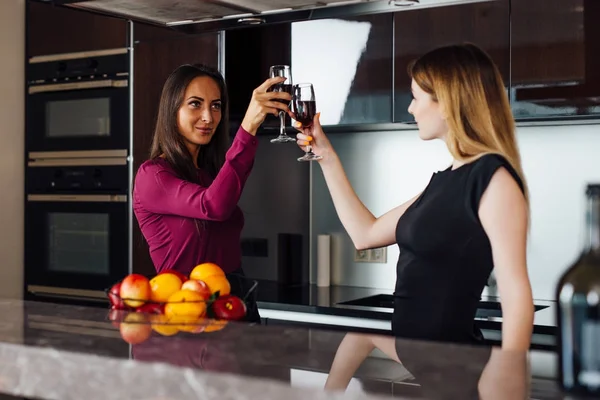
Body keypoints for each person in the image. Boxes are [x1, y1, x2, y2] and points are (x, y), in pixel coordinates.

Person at [295, 43, 535, 390]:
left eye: (416, 97)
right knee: (360, 332)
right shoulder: (443, 181)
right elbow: (366, 233)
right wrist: (327, 156)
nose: (410, 108)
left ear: (448, 103)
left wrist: (508, 374)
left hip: (465, 375)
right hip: (426, 361)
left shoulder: (492, 179)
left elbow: (515, 292)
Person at [133, 63, 292, 323]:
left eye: (216, 105)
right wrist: (249, 126)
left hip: (237, 304)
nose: (208, 116)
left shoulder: (208, 175)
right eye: (195, 104)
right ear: (172, 109)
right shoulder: (153, 175)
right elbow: (213, 206)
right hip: (188, 313)